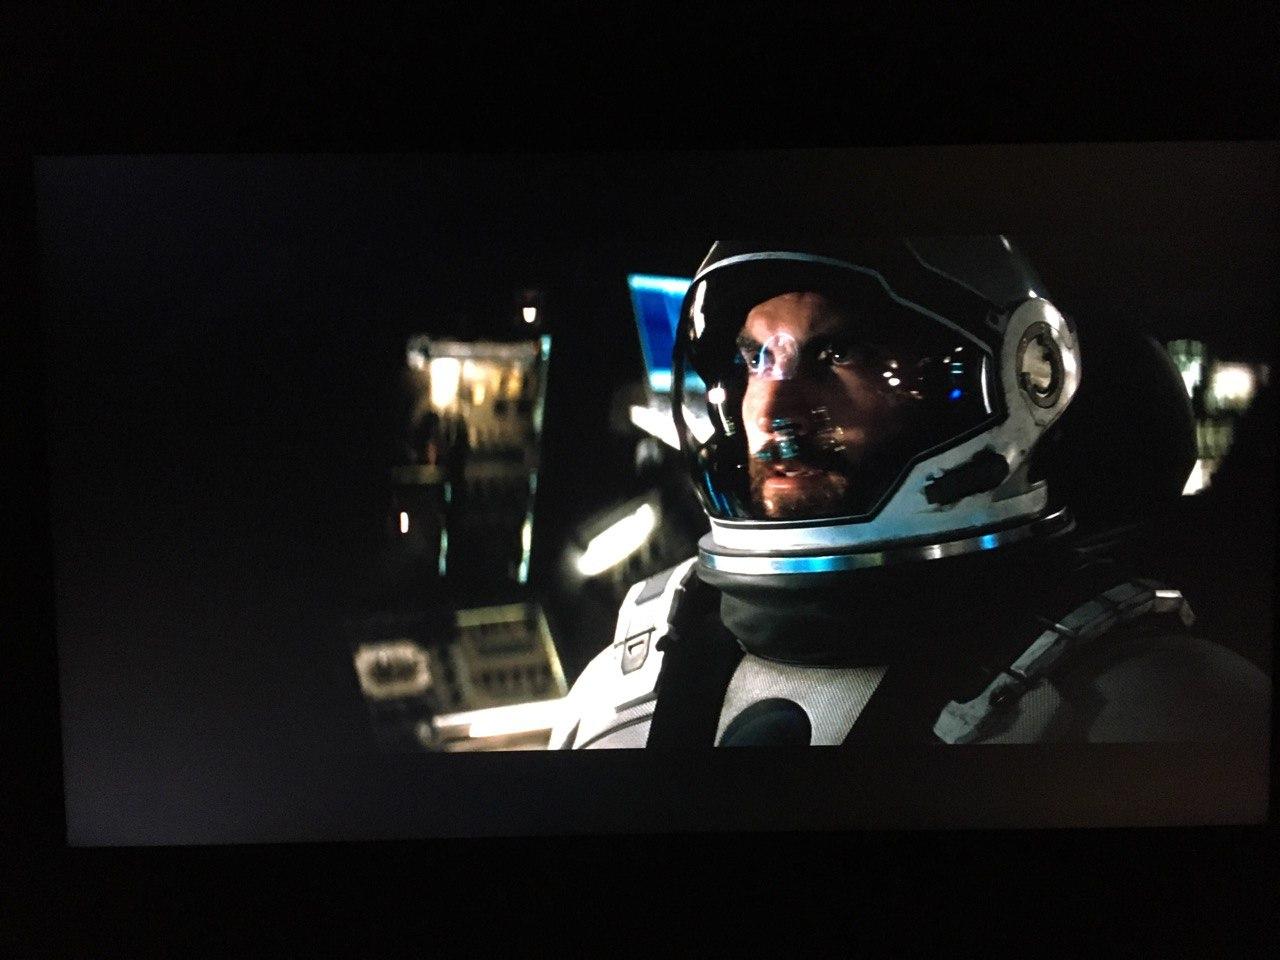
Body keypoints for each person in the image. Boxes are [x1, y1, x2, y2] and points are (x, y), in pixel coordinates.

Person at [550, 239, 1270, 749]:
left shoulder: (1153, 708)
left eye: (838, 354)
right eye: (755, 358)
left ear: (1014, 377)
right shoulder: (626, 679)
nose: (772, 409)